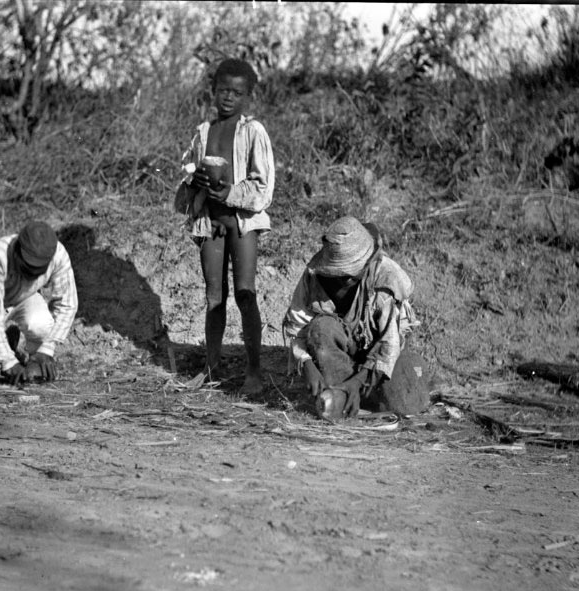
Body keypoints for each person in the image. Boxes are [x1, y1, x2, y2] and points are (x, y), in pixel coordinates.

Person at [175, 58, 275, 395]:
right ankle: (211, 367)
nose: (228, 98)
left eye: (237, 93)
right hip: (211, 225)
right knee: (214, 297)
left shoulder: (253, 131)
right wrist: (195, 181)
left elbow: (263, 189)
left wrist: (230, 192)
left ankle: (254, 370)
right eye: (222, 91)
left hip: (240, 225)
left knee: (246, 295)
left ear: (248, 97)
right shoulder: (204, 132)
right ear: (212, 92)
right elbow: (186, 176)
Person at [282, 216, 429, 421]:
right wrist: (306, 363)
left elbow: (388, 346)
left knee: (402, 405)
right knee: (322, 328)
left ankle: (359, 391)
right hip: (345, 351)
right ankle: (341, 394)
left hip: (379, 357)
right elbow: (297, 328)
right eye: (336, 274)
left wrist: (358, 382)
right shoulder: (314, 276)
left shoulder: (384, 280)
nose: (341, 280)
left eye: (348, 276)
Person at [0, 220, 78, 385]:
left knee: (40, 323)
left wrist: (47, 349)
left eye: (37, 269)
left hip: (28, 299)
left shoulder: (58, 254)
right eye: (28, 267)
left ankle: (36, 360)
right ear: (18, 251)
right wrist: (7, 361)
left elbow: (67, 304)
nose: (32, 272)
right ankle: (4, 350)